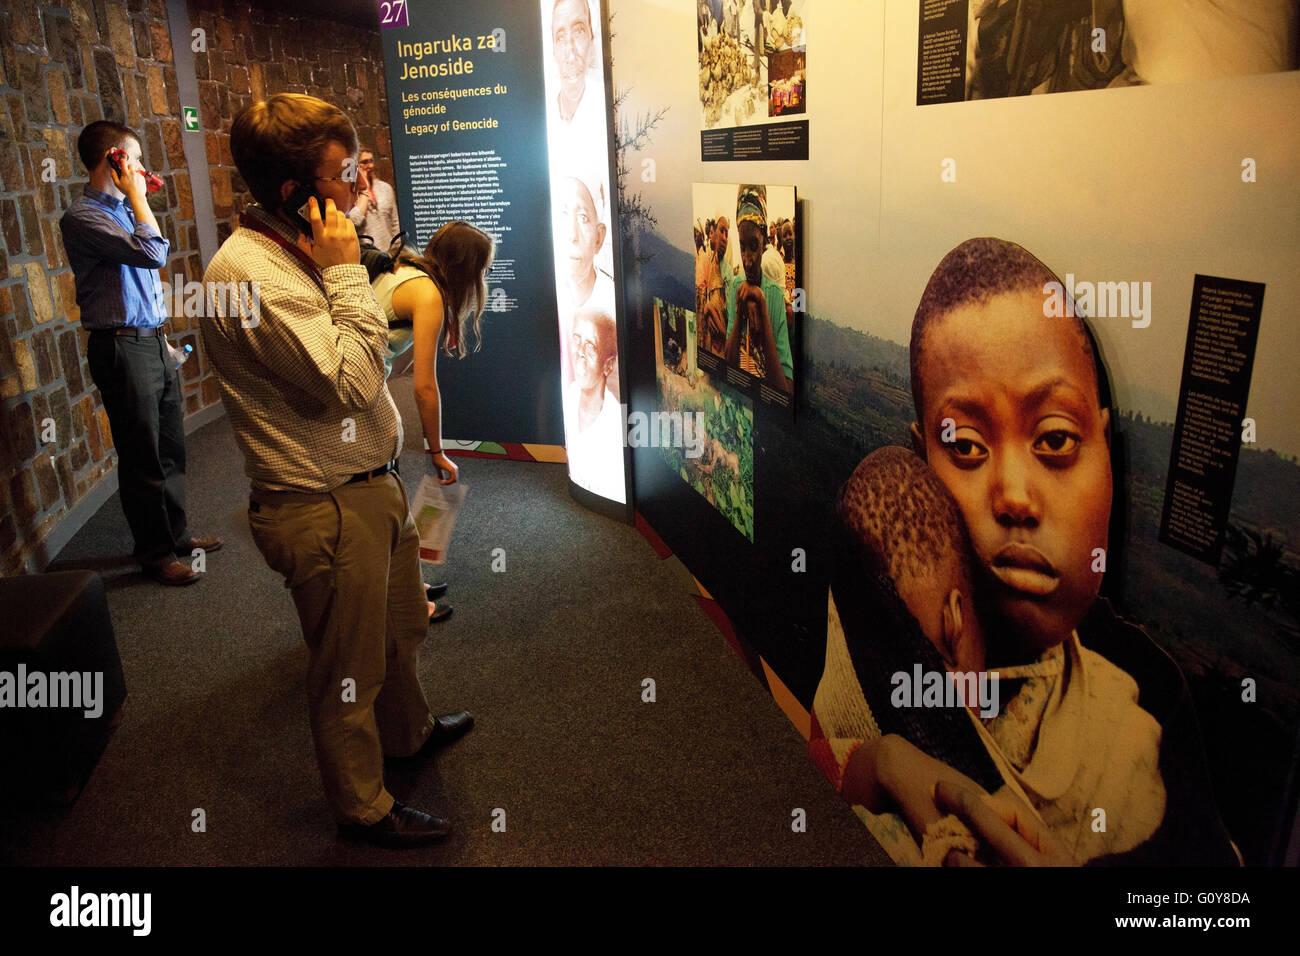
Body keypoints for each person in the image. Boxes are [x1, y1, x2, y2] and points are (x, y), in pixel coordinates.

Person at [817, 236, 1238, 865]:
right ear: (924, 457)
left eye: (1056, 438)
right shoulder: (885, 600)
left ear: (1106, 452)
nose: (1013, 495)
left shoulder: (1150, 695)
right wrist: (882, 763)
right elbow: (818, 760)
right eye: (964, 447)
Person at [200, 93, 473, 848]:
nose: (359, 187)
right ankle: (362, 808)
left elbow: (357, 365)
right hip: (322, 505)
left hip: (369, 486)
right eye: (344, 172)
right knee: (346, 673)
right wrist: (351, 275)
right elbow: (352, 383)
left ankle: (409, 735)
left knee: (399, 631)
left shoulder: (296, 249)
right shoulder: (250, 275)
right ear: (295, 193)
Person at [59, 120, 221, 586]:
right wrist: (138, 195)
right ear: (114, 159)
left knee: (170, 445)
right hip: (119, 347)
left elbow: (145, 281)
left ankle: (176, 533)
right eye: (134, 158)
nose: (142, 168)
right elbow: (153, 254)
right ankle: (154, 554)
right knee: (142, 454)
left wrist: (162, 338)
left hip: (148, 340)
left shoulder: (128, 211)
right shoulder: (84, 216)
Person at [372, 220, 494, 484]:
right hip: (359, 384)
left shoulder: (408, 268)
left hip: (362, 374)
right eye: (482, 270)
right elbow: (424, 388)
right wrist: (438, 453)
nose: (482, 278)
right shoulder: (428, 296)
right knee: (383, 461)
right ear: (466, 271)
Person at [724, 184, 793, 393]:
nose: (747, 259)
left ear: (764, 240)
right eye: (742, 246)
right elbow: (729, 367)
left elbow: (785, 388)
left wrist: (763, 307)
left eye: (753, 246)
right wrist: (739, 311)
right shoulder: (736, 285)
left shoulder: (773, 295)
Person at [563, 305, 624, 501]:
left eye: (590, 345)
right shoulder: (570, 396)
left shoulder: (616, 427)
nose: (579, 352)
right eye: (576, 339)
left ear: (608, 365)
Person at [347, 146, 401, 253]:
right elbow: (354, 222)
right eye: (364, 162)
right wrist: (364, 190)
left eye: (371, 161)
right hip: (366, 256)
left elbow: (395, 222)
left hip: (388, 253)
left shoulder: (385, 188)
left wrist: (397, 249)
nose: (370, 165)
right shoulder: (350, 194)